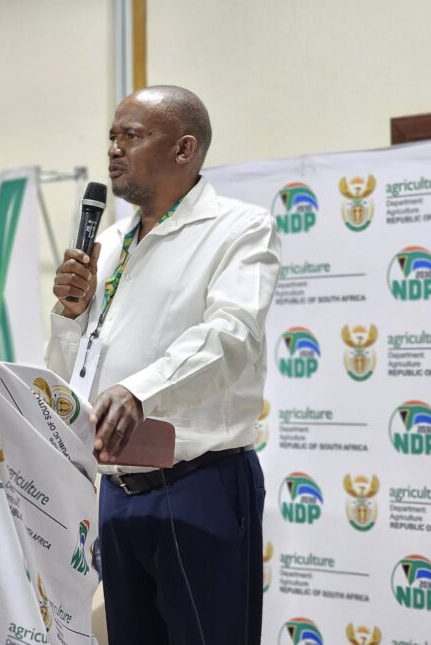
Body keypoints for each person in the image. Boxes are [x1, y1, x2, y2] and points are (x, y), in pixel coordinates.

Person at [46, 86, 281, 644]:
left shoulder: (239, 229)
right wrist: (70, 314)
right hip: (117, 492)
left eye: (131, 136)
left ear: (183, 149)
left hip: (198, 483)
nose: (114, 149)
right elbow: (75, 371)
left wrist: (140, 391)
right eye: (111, 137)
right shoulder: (109, 243)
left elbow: (231, 336)